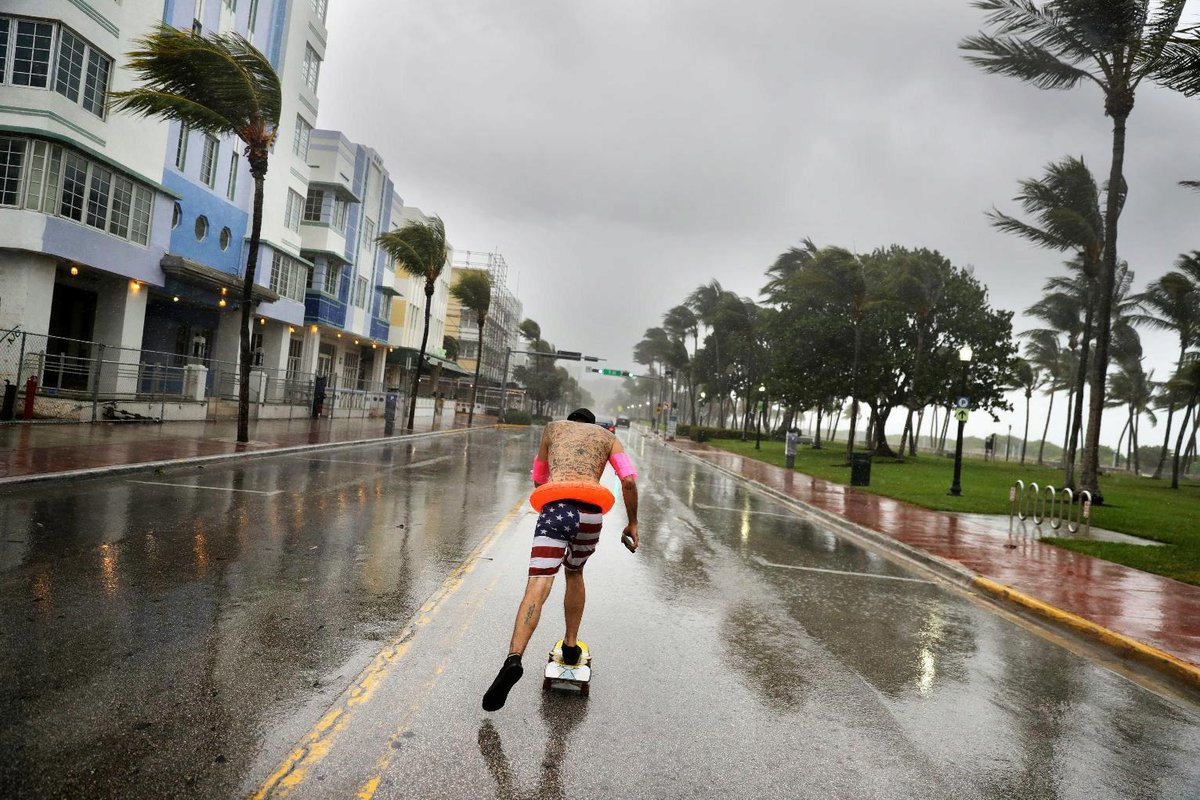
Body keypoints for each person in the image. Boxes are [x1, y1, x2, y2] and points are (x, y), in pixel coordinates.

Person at [482, 407, 639, 712]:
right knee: (575, 573)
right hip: (591, 516)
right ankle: (570, 645)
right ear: (592, 425)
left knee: (538, 585)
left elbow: (539, 478)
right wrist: (632, 523)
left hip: (556, 510)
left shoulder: (553, 429)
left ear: (570, 422)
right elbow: (629, 481)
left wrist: (554, 500)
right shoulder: (607, 438)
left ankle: (514, 659)